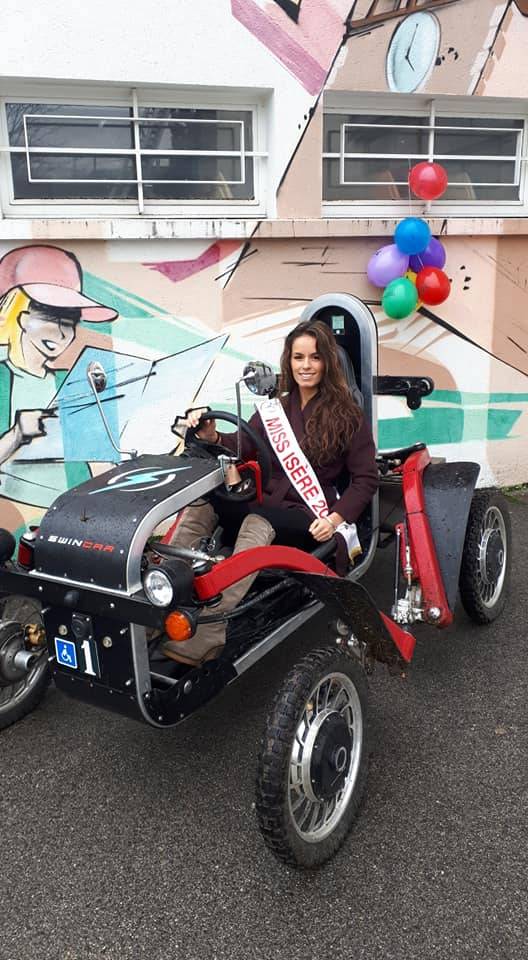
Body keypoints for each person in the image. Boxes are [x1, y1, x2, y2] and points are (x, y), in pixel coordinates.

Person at [162, 319, 379, 666]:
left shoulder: (348, 416)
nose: (306, 365)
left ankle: (211, 626)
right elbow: (243, 445)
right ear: (288, 362)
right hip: (264, 503)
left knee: (258, 520)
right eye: (298, 357)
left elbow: (366, 479)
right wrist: (213, 436)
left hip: (308, 515)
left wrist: (334, 519)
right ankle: (162, 595)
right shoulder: (275, 409)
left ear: (327, 362)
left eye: (315, 357)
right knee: (207, 501)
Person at [0, 244, 117, 503]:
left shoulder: (73, 383)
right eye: (51, 319)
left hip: (73, 510)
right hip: (13, 512)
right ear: (21, 317)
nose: (62, 333)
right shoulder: (2, 380)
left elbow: (98, 461)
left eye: (69, 323)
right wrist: (16, 435)